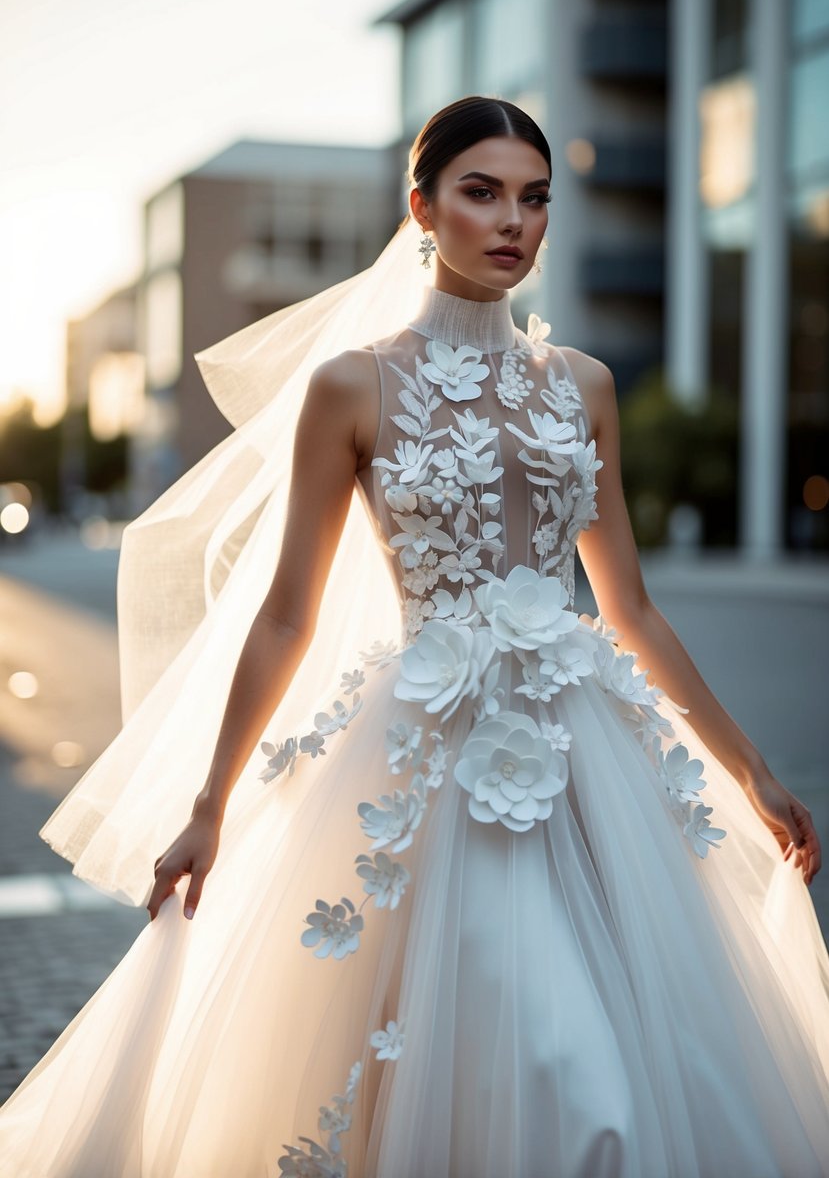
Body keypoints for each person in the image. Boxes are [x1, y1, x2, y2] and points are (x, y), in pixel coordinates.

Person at [1, 95, 829, 1178]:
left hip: (589, 765)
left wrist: (752, 770)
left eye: (534, 199)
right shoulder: (354, 384)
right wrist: (208, 804)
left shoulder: (583, 386)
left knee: (617, 1076)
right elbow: (288, 610)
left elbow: (626, 606)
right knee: (508, 1073)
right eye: (480, 193)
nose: (512, 223)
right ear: (421, 209)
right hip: (422, 762)